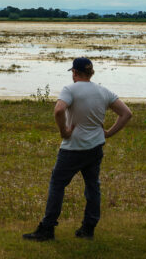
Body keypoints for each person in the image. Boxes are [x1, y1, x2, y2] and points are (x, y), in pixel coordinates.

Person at [24, 57, 133, 241]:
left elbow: (59, 110)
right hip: (95, 147)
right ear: (90, 73)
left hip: (72, 148)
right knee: (92, 186)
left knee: (57, 184)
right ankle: (88, 228)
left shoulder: (70, 89)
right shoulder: (103, 91)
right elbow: (126, 113)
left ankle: (47, 228)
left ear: (74, 72)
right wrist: (108, 133)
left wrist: (64, 131)